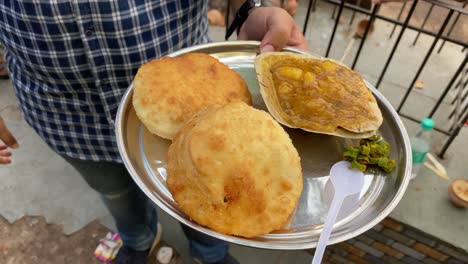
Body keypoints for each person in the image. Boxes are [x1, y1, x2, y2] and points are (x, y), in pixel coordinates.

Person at [0, 1, 307, 263]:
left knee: (209, 204)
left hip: (193, 79)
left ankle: (209, 252)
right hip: (67, 119)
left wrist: (245, 10)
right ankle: (138, 239)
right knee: (115, 194)